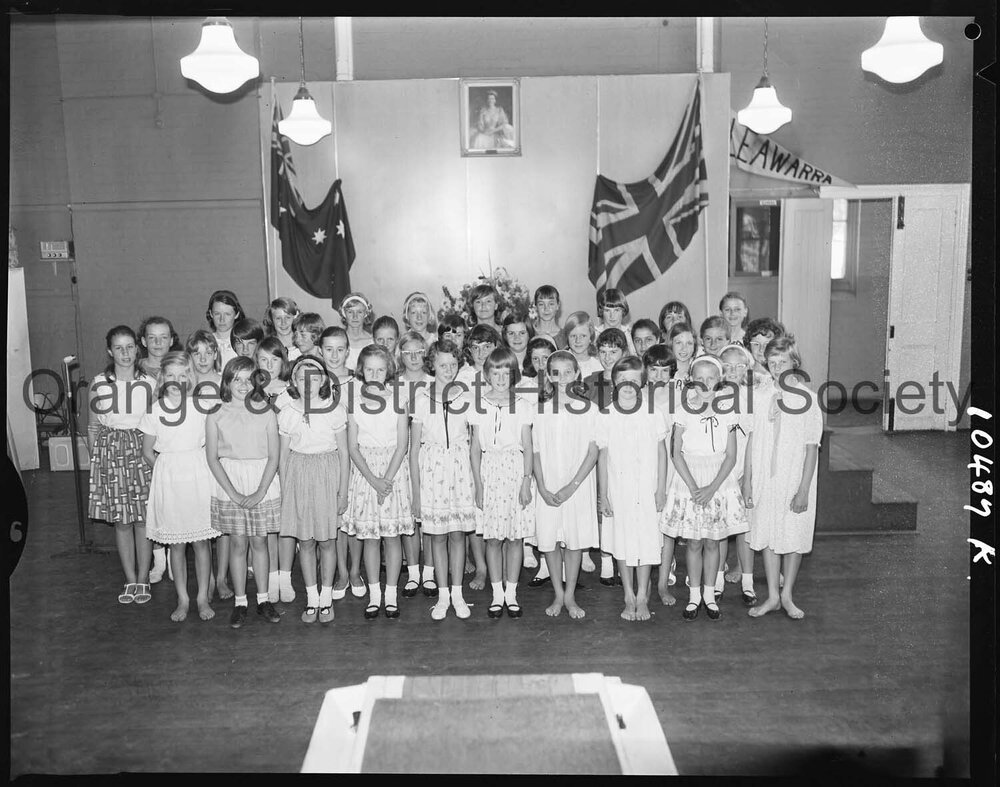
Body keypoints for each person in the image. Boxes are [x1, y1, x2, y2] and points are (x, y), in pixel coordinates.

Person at [660, 356, 748, 622]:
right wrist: (695, 487)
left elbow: (731, 455)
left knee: (713, 541)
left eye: (711, 377)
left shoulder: (728, 409)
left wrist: (711, 488)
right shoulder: (683, 409)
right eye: (700, 377)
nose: (706, 383)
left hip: (718, 480)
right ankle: (694, 595)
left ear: (718, 380)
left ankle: (710, 595)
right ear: (691, 380)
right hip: (689, 479)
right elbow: (675, 453)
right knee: (694, 541)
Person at [743, 336, 822, 621]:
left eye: (783, 362)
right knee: (766, 533)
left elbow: (811, 448)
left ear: (795, 364)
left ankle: (787, 593)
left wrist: (803, 490)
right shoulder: (761, 395)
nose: (777, 368)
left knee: (792, 534)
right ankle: (773, 597)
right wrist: (748, 479)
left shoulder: (808, 399)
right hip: (766, 476)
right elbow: (752, 439)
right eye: (772, 363)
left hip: (793, 478)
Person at [139, 352, 216, 622]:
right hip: (169, 479)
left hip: (197, 475)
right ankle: (183, 597)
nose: (176, 380)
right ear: (162, 378)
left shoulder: (201, 406)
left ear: (191, 378)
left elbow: (210, 444)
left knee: (201, 543)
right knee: (177, 546)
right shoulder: (155, 410)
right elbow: (148, 451)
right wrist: (165, 473)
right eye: (171, 375)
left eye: (183, 375)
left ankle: (202, 596)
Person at [205, 357, 281, 628]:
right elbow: (213, 458)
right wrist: (234, 494)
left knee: (259, 542)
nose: (242, 384)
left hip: (262, 480)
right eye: (237, 378)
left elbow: (274, 456)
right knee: (238, 543)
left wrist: (261, 491)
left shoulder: (267, 411)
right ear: (227, 381)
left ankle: (263, 599)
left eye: (249, 378)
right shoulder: (216, 413)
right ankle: (240, 601)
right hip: (231, 483)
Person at [277, 356, 350, 624]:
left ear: (323, 381)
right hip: (299, 475)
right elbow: (283, 456)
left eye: (315, 377)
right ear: (293, 381)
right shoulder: (287, 411)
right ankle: (312, 597)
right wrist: (286, 492)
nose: (308, 383)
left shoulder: (334, 409)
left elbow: (344, 452)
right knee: (305, 541)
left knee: (327, 540)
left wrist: (342, 492)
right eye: (301, 378)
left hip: (327, 473)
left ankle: (327, 596)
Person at [596, 357, 669, 622]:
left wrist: (661, 489)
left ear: (643, 384)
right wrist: (603, 495)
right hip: (620, 489)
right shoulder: (606, 415)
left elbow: (662, 454)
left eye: (634, 382)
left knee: (647, 541)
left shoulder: (653, 414)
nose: (628, 387)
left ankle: (643, 596)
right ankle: (628, 595)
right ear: (614, 382)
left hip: (647, 488)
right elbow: (602, 458)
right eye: (623, 381)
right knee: (623, 541)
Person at [409, 340, 477, 620]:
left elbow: (475, 443)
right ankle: (442, 594)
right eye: (442, 365)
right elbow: (413, 450)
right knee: (437, 537)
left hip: (460, 470)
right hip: (432, 470)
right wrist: (415, 493)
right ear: (431, 366)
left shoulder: (468, 396)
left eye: (453, 364)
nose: (448, 369)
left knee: (458, 534)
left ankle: (458, 594)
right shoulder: (421, 399)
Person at [87, 325, 154, 605]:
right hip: (111, 454)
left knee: (142, 519)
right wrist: (99, 462)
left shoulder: (150, 383)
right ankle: (129, 579)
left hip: (141, 451)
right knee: (122, 522)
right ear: (109, 351)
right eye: (119, 348)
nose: (125, 353)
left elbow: (157, 422)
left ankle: (144, 577)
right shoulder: (100, 383)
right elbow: (92, 427)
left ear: (137, 348)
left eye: (129, 347)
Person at [344, 345, 413, 620]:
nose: (374, 374)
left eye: (380, 369)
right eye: (369, 369)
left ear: (389, 370)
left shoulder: (398, 399)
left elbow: (402, 444)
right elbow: (352, 446)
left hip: (393, 471)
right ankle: (375, 595)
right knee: (370, 538)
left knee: (392, 537)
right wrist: (373, 480)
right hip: (365, 473)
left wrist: (386, 479)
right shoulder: (353, 400)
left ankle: (391, 595)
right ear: (361, 369)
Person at [532, 351, 599, 620]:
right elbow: (535, 451)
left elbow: (593, 452)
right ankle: (557, 593)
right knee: (550, 540)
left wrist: (572, 486)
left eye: (567, 372)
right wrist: (543, 487)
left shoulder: (589, 410)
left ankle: (570, 594)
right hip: (548, 484)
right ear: (548, 376)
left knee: (573, 541)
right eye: (555, 373)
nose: (562, 378)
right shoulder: (541, 411)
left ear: (576, 374)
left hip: (577, 485)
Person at [469, 348, 535, 619]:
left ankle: (511, 593)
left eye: (506, 372)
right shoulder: (477, 405)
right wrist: (479, 484)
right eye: (495, 372)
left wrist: (526, 481)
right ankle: (497, 594)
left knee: (515, 537)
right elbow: (474, 448)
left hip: (514, 470)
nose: (500, 378)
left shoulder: (523, 405)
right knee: (494, 538)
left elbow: (528, 448)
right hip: (490, 471)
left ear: (513, 375)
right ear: (486, 375)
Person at [316, 327, 364, 600]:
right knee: (336, 519)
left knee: (353, 518)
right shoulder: (312, 381)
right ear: (320, 351)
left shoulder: (358, 383)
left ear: (348, 352)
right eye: (329, 349)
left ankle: (355, 570)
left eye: (340, 349)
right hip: (327, 459)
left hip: (354, 456)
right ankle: (342, 573)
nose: (334, 355)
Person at [394, 330, 435, 596]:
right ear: (400, 355)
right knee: (409, 513)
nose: (413, 357)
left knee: (429, 512)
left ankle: (430, 572)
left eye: (418, 351)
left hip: (430, 455)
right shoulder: (392, 385)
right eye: (407, 352)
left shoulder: (435, 382)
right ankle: (413, 573)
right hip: (401, 453)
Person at [255, 337, 294, 603]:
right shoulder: (250, 390)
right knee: (268, 524)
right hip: (261, 463)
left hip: (288, 461)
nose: (269, 366)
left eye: (274, 360)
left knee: (286, 523)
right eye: (263, 360)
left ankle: (286, 576)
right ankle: (270, 576)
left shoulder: (292, 390)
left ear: (283, 362)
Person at [717, 343, 756, 605]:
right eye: (727, 366)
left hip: (742, 472)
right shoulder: (712, 397)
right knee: (719, 529)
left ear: (746, 369)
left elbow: (751, 440)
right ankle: (717, 579)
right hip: (718, 474)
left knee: (744, 529)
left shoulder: (750, 398)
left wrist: (748, 479)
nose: (732, 370)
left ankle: (748, 582)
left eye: (738, 366)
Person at [206, 290, 245, 369]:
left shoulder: (244, 344)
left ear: (236, 314)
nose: (222, 319)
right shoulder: (205, 343)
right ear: (211, 314)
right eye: (217, 314)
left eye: (227, 314)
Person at [562, 311, 603, 378]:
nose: (578, 341)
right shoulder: (559, 362)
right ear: (567, 337)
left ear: (590, 337)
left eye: (583, 336)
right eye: (573, 336)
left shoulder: (599, 364)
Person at [340, 292, 374, 371]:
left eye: (359, 312)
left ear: (366, 314)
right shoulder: (337, 340)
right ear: (344, 313)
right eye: (350, 312)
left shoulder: (372, 341)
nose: (355, 316)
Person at [595, 288, 635, 354]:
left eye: (616, 310)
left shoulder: (630, 335)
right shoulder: (595, 335)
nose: (612, 316)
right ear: (601, 311)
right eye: (607, 310)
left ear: (623, 311)